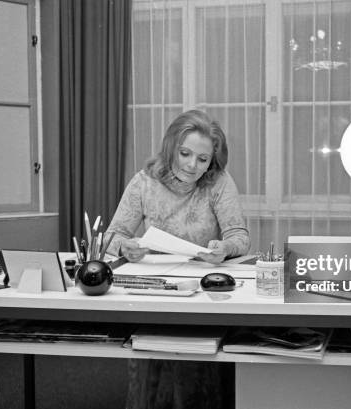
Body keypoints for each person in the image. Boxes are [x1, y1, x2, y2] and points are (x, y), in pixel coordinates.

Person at [105, 109, 250, 409]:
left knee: (199, 372)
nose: (192, 165)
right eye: (185, 153)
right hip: (152, 288)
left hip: (202, 291)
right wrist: (125, 247)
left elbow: (240, 237)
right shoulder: (144, 182)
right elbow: (111, 236)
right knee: (152, 372)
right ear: (171, 146)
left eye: (202, 159)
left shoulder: (218, 182)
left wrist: (225, 248)